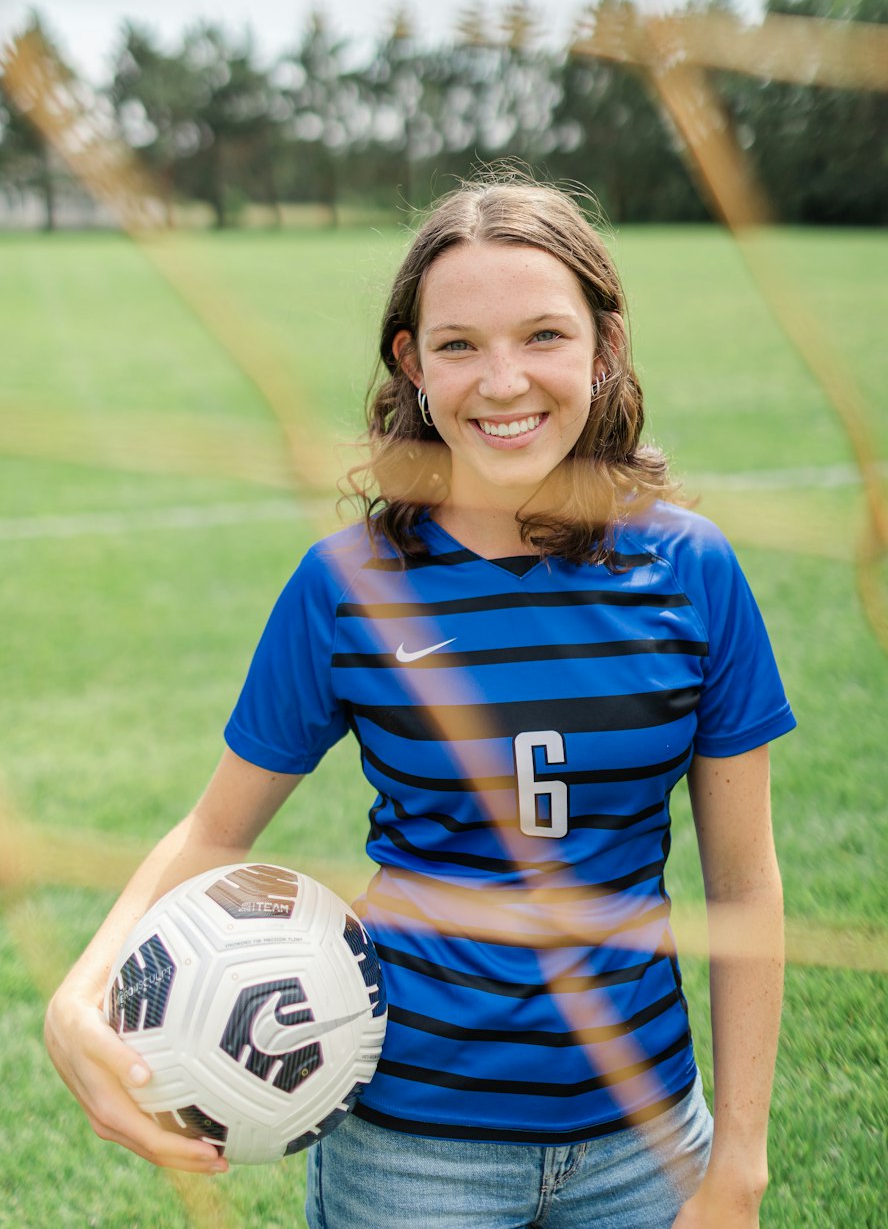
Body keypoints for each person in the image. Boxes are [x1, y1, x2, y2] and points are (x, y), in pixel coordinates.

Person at [45, 175, 793, 1228]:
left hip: (647, 1140)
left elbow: (744, 885)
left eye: (541, 335)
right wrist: (78, 989)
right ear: (410, 362)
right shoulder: (346, 586)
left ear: (602, 345)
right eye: (457, 346)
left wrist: (740, 1162)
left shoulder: (691, 572)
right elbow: (215, 827)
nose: (502, 382)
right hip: (408, 1152)